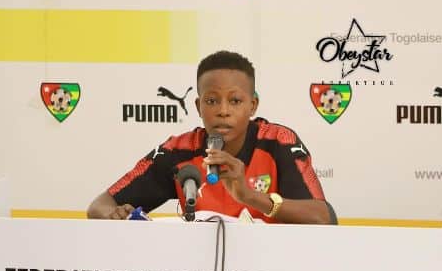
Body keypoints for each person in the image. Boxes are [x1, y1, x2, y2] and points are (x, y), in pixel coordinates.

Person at [88, 51, 335, 224]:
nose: (223, 110)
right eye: (211, 101)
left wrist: (249, 197)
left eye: (235, 101)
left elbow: (323, 218)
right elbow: (99, 205)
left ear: (253, 106)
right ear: (198, 106)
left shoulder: (279, 141)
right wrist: (116, 216)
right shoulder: (179, 151)